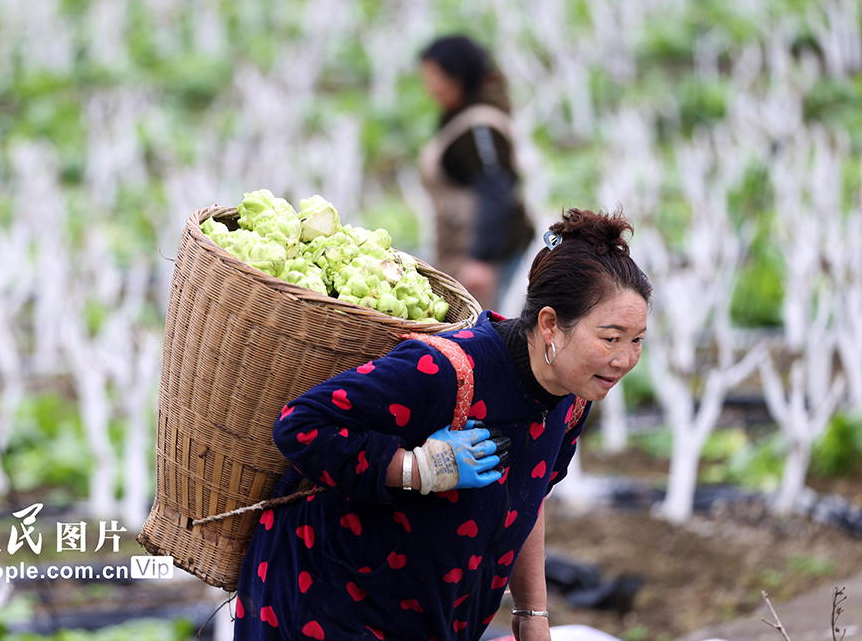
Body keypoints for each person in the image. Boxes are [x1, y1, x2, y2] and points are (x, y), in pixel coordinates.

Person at [232, 208, 652, 641]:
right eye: (610, 338)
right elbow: (299, 426)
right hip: (330, 609)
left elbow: (531, 495)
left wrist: (532, 614)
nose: (625, 360)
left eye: (637, 340)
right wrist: (417, 469)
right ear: (550, 325)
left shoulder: (570, 401)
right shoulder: (445, 371)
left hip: (434, 620)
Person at [417, 35, 535, 311]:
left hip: (483, 255)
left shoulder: (479, 125)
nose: (429, 87)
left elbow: (495, 189)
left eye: (433, 77)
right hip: (460, 247)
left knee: (479, 330)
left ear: (456, 77)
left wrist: (481, 259)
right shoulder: (464, 120)